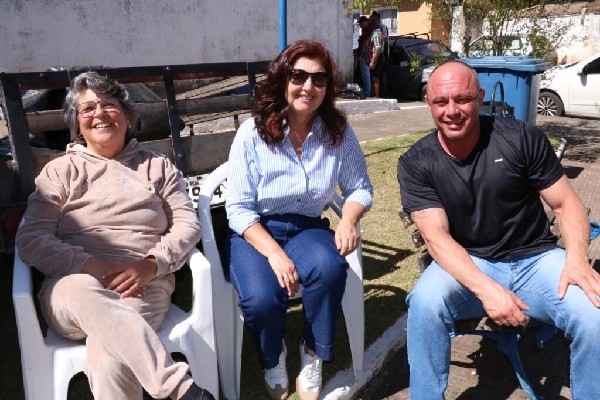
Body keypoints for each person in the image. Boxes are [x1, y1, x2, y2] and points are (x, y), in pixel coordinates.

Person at [397, 60, 600, 399]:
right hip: (470, 262)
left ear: (480, 97)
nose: (451, 111)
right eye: (440, 102)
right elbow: (436, 237)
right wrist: (489, 291)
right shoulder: (416, 162)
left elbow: (568, 205)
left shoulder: (520, 138)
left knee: (594, 313)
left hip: (536, 259)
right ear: (428, 102)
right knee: (425, 303)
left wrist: (577, 260)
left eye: (462, 99)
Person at [15, 72, 215, 400]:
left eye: (109, 105)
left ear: (127, 116)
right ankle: (179, 388)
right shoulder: (59, 172)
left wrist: (151, 264)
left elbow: (187, 224)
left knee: (108, 357)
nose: (99, 113)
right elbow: (32, 238)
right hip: (72, 291)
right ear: (77, 125)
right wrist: (89, 266)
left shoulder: (158, 167)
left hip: (140, 287)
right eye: (87, 108)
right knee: (80, 288)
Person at [225, 39, 373, 400]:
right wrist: (276, 254)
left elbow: (360, 188)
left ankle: (311, 351)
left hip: (307, 226)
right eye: (298, 76)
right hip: (257, 230)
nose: (308, 86)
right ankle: (272, 356)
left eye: (318, 79)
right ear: (283, 80)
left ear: (328, 87)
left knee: (330, 268)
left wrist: (348, 219)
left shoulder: (338, 132)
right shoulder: (252, 133)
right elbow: (238, 208)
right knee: (261, 299)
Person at [365, 18, 384, 97]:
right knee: (372, 77)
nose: (368, 26)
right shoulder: (374, 33)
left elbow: (378, 48)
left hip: (377, 59)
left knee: (375, 77)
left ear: (373, 25)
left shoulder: (376, 34)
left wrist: (373, 62)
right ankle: (373, 94)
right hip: (374, 58)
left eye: (369, 24)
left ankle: (376, 96)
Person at [355, 16, 373, 97]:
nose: (360, 25)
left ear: (365, 22)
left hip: (364, 56)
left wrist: (360, 55)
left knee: (365, 74)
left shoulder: (367, 31)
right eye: (360, 24)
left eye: (361, 23)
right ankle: (366, 91)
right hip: (364, 55)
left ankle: (367, 92)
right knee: (364, 74)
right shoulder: (365, 31)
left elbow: (364, 45)